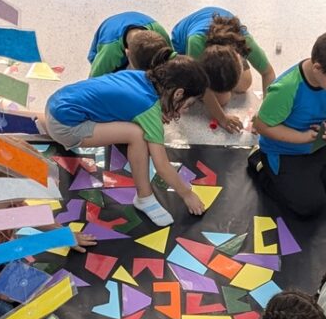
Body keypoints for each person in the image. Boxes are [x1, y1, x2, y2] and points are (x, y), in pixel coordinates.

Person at [42, 58, 208, 227]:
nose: (186, 110)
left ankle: (40, 124)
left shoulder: (142, 77)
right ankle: (145, 198)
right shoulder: (148, 108)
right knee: (137, 134)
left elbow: (124, 103)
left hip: (54, 104)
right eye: (189, 104)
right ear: (178, 94)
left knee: (131, 123)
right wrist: (187, 194)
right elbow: (162, 166)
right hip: (64, 128)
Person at [248, 28, 326, 219]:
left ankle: (304, 179)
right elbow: (262, 125)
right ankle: (260, 164)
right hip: (284, 150)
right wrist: (300, 138)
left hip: (317, 144)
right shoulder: (286, 88)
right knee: (309, 206)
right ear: (317, 68)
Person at [170, 6, 276, 133]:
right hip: (182, 48)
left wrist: (264, 116)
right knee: (222, 99)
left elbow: (268, 73)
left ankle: (223, 83)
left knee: (245, 83)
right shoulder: (195, 44)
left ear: (238, 58)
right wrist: (222, 118)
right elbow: (203, 87)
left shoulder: (244, 40)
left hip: (220, 44)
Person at [86, 11, 172, 77]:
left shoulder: (159, 32)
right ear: (127, 53)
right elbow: (93, 83)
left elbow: (172, 61)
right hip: (109, 40)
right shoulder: (109, 52)